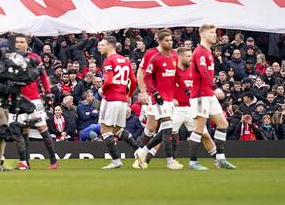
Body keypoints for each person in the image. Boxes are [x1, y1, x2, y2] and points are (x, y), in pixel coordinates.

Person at [187, 24, 237, 170]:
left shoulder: (208, 51)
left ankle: (220, 159)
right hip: (200, 95)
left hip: (208, 94)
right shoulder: (200, 51)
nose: (215, 35)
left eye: (215, 32)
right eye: (211, 33)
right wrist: (215, 88)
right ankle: (193, 162)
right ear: (203, 35)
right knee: (199, 129)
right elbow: (203, 72)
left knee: (223, 124)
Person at [134, 30, 182, 169]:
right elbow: (141, 72)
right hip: (154, 95)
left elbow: (174, 75)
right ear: (158, 40)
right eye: (166, 39)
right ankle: (141, 155)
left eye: (171, 39)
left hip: (167, 97)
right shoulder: (150, 53)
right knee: (151, 127)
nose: (169, 42)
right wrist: (143, 92)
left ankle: (144, 156)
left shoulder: (173, 54)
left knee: (165, 127)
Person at [13, 34, 58, 170]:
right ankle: (24, 162)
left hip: (33, 99)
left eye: (21, 42)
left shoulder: (35, 58)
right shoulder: (12, 58)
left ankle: (53, 160)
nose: (19, 44)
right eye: (17, 42)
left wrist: (48, 92)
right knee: (22, 132)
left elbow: (43, 77)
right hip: (18, 100)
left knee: (42, 129)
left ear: (27, 43)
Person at [98, 35, 141, 169]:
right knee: (116, 129)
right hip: (122, 99)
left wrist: (102, 89)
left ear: (110, 46)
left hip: (111, 99)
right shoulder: (125, 60)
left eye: (102, 45)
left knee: (105, 130)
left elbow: (109, 80)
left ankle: (116, 161)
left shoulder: (108, 61)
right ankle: (140, 150)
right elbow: (133, 81)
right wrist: (128, 95)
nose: (100, 47)